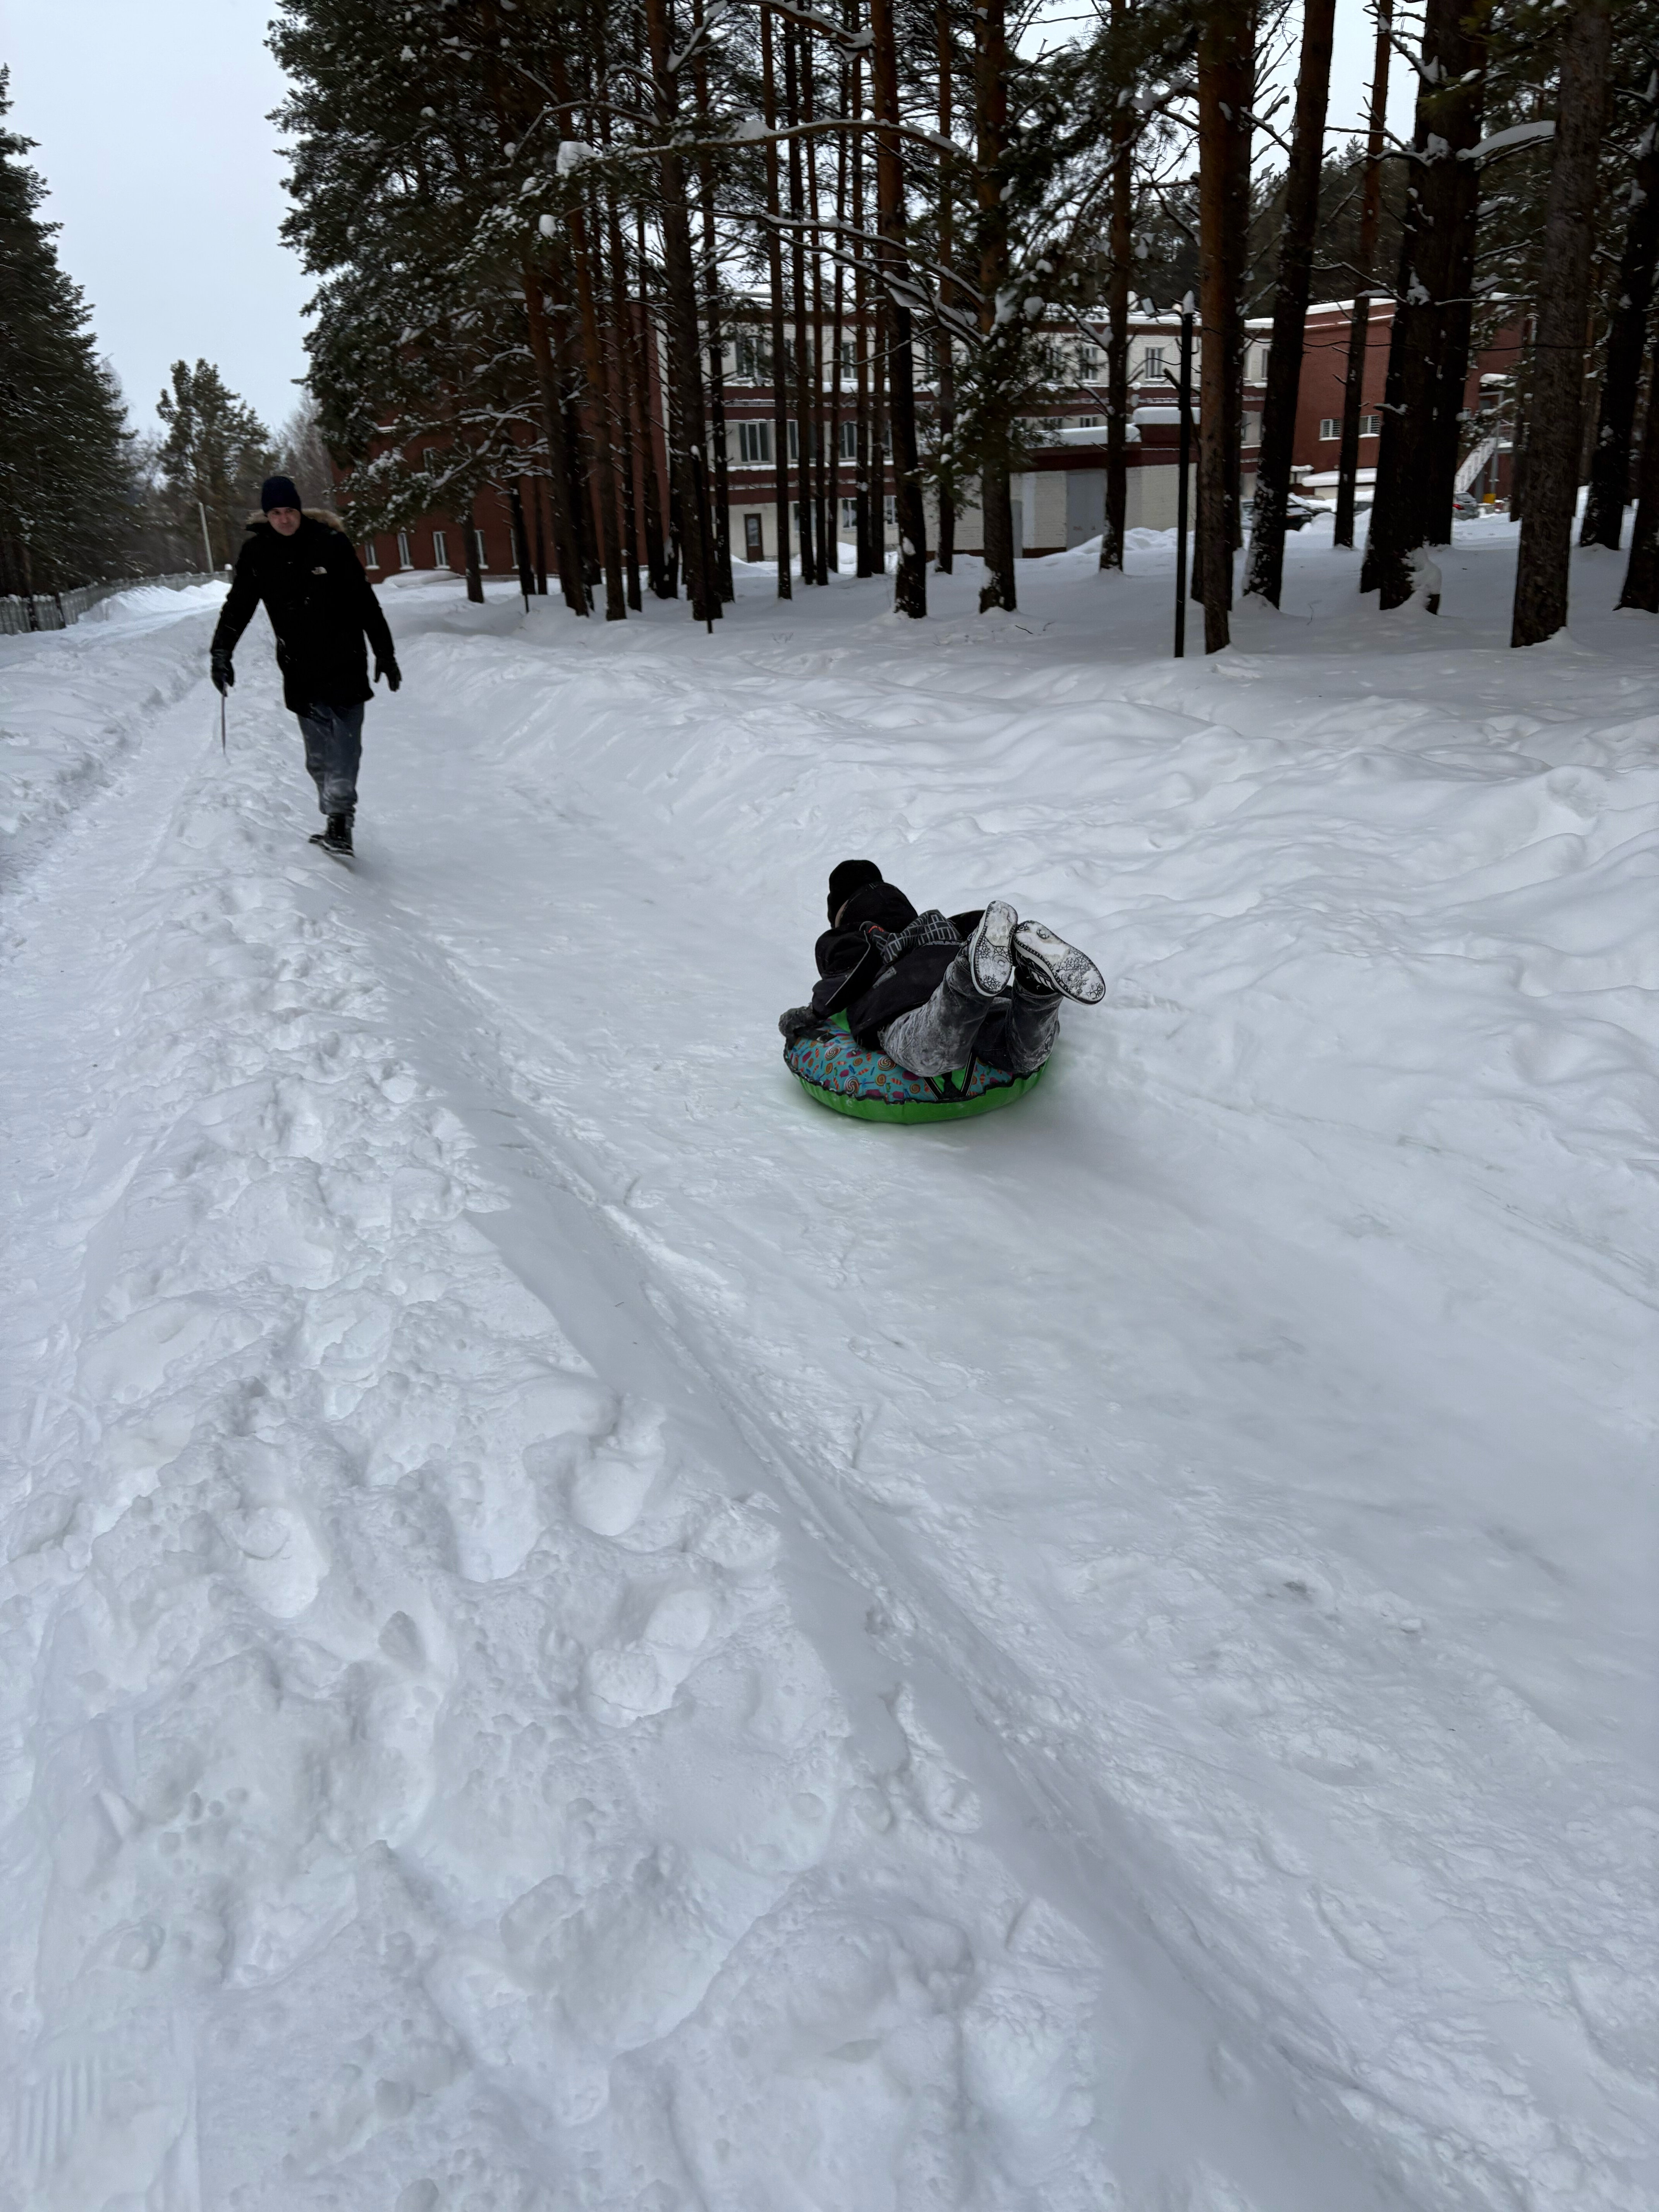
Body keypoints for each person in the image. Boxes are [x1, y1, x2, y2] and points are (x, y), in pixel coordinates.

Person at [208, 475, 400, 857]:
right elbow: (239, 607)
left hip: (346, 660)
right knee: (318, 759)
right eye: (276, 513)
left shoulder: (330, 544)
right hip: (300, 669)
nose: (284, 519)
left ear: (299, 510)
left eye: (290, 511)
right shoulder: (258, 554)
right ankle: (335, 819)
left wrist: (385, 651)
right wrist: (221, 652)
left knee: (345, 749)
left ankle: (341, 820)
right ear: (268, 515)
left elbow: (364, 600)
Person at [780, 857, 1106, 1077]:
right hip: (966, 972)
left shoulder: (851, 936)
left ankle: (967, 977)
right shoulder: (936, 924)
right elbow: (983, 923)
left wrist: (814, 1012)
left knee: (934, 1053)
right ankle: (1037, 988)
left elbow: (849, 974)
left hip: (904, 999)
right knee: (1021, 1058)